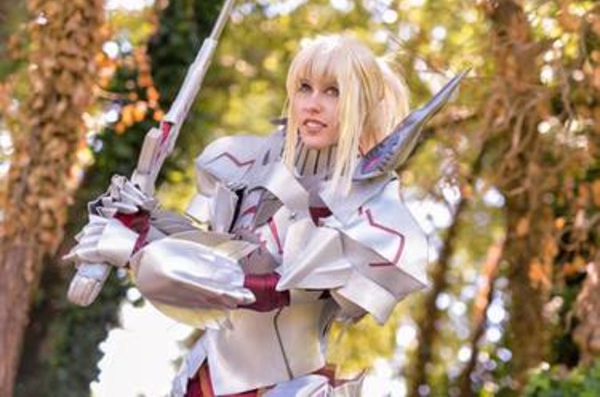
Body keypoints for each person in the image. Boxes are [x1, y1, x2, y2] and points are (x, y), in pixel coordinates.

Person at [65, 34, 429, 396]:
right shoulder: (246, 166)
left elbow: (267, 291)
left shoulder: (365, 207)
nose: (312, 105)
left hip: (287, 388)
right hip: (203, 377)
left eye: (333, 92)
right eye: (304, 88)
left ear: (360, 105)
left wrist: (138, 250)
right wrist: (143, 221)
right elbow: (213, 251)